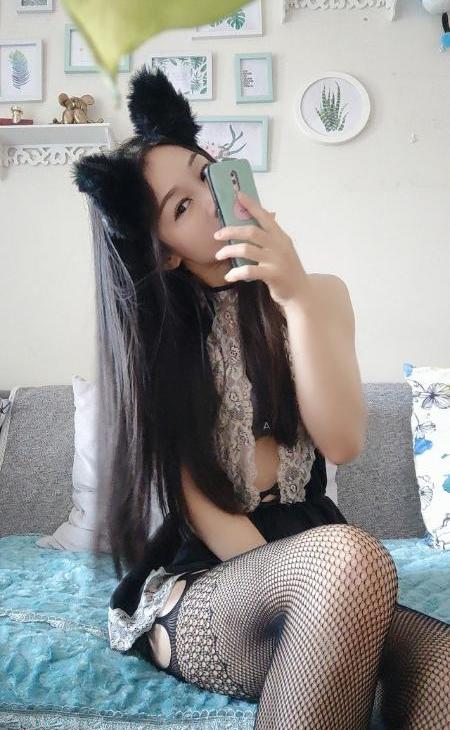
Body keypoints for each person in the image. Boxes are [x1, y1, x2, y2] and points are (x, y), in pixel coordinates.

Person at [71, 66, 449, 729]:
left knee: (441, 662)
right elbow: (205, 509)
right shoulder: (161, 345)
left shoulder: (321, 294)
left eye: (205, 173)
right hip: (211, 582)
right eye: (181, 207)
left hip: (322, 560)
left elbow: (343, 442)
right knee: (350, 554)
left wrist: (295, 296)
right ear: (165, 254)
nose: (211, 199)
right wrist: (307, 601)